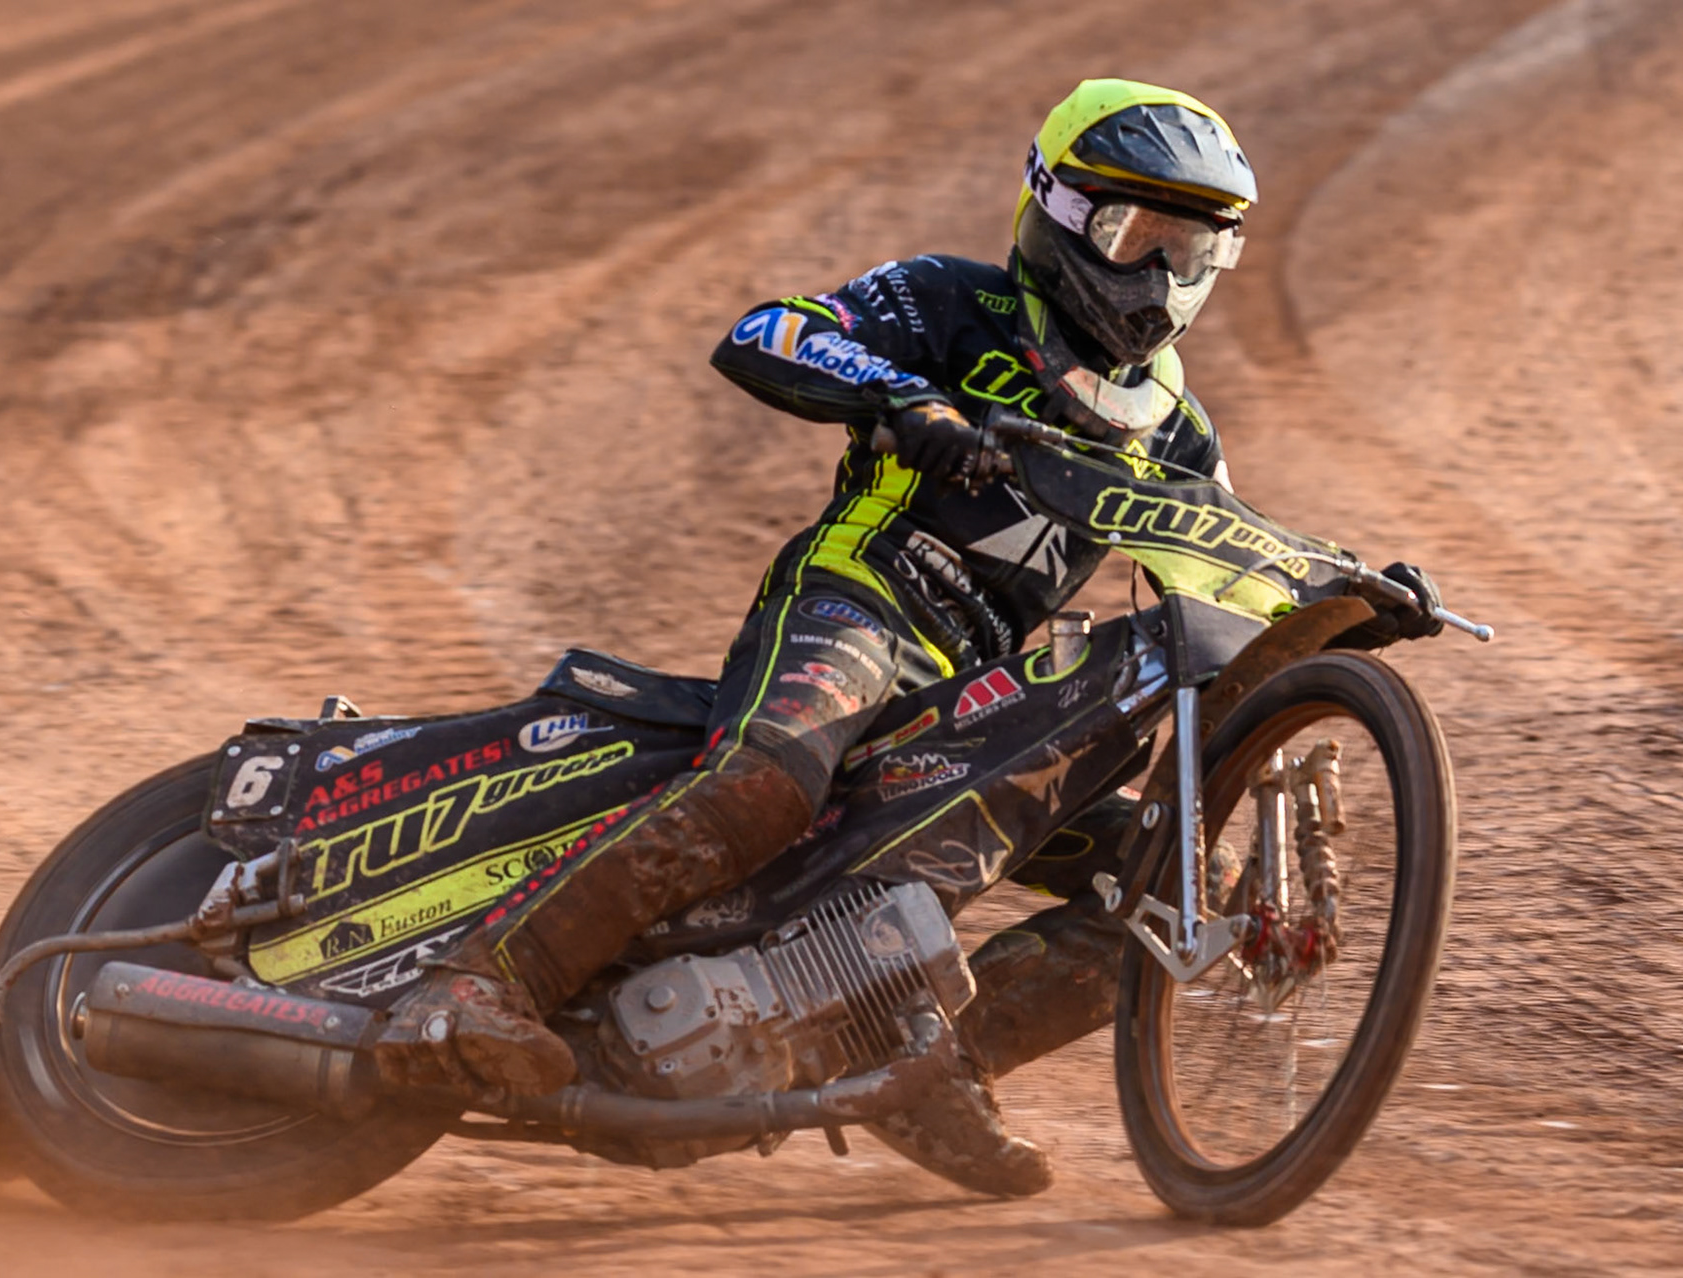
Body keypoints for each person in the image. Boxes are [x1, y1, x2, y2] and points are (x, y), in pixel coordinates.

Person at [377, 79, 1438, 1196]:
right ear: (1058, 213)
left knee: (1180, 878)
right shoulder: (952, 301)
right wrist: (909, 404)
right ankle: (478, 979)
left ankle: (933, 1069)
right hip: (861, 601)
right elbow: (771, 330)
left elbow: (1220, 572)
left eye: (1190, 249)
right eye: (1135, 235)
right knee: (768, 784)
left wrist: (1347, 596)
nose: (1158, 277)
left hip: (978, 703)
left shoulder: (1175, 430)